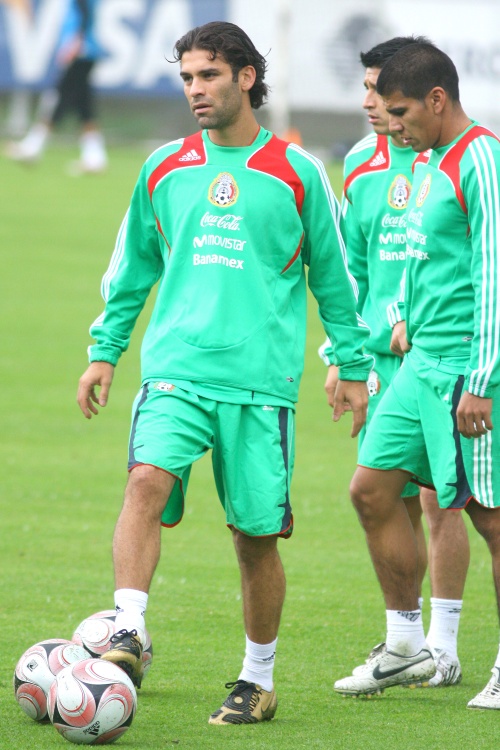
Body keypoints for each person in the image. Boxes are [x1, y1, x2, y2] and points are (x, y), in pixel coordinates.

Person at [77, 21, 373, 725]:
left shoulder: (299, 173)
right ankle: (128, 628)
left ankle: (256, 679)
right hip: (175, 368)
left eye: (208, 75)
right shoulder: (164, 167)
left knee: (254, 539)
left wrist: (352, 364)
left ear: (246, 77)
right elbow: (132, 267)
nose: (195, 89)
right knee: (145, 481)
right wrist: (105, 350)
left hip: (260, 385)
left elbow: (336, 280)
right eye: (186, 78)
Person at [333, 40, 500, 710]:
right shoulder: (429, 161)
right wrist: (401, 311)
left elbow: (494, 272)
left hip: (464, 364)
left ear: (437, 99)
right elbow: (419, 253)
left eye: (400, 111)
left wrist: (483, 379)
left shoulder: (481, 157)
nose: (392, 124)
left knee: (490, 518)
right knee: (372, 490)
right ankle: (406, 644)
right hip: (419, 363)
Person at [6, 0, 107, 173]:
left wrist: (76, 41)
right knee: (83, 105)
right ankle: (94, 156)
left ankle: (33, 146)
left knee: (58, 98)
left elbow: (84, 12)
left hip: (80, 51)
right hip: (86, 50)